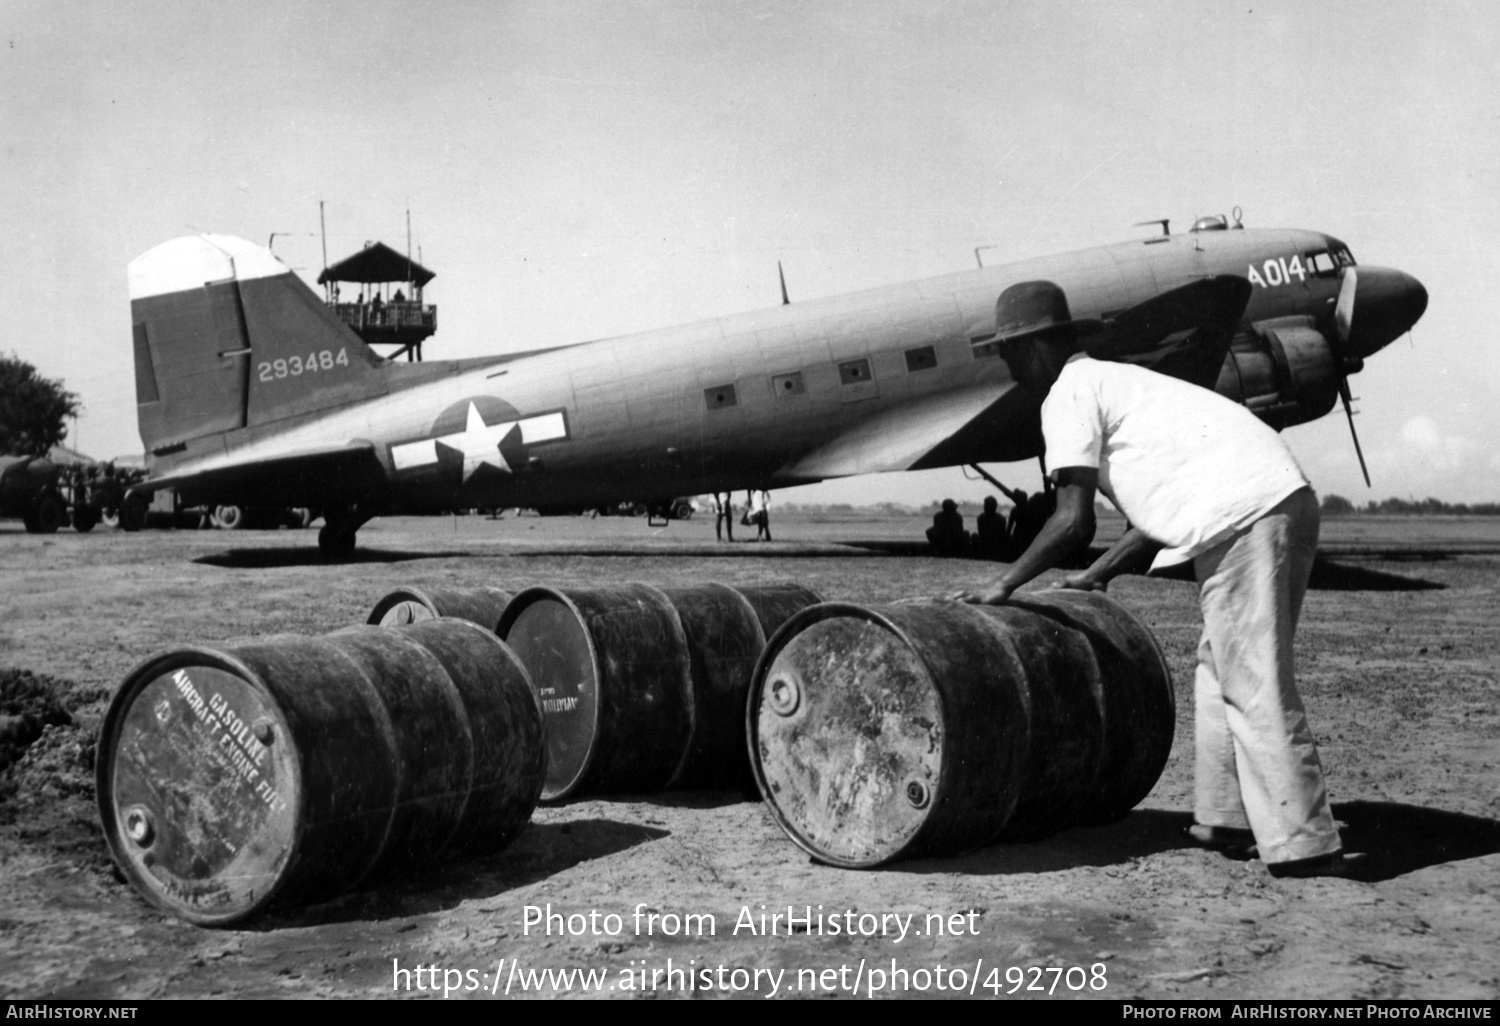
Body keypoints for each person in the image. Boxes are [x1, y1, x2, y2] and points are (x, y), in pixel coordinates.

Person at [952, 342, 1346, 878]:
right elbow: (1153, 517)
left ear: (1039, 349)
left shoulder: (1066, 393)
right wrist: (1098, 574)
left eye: (1012, 355)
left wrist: (1004, 582)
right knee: (1220, 664)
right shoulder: (1122, 380)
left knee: (1253, 676)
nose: (1010, 369)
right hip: (1279, 498)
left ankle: (1304, 842)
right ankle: (1225, 817)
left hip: (1249, 511)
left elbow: (1073, 520)